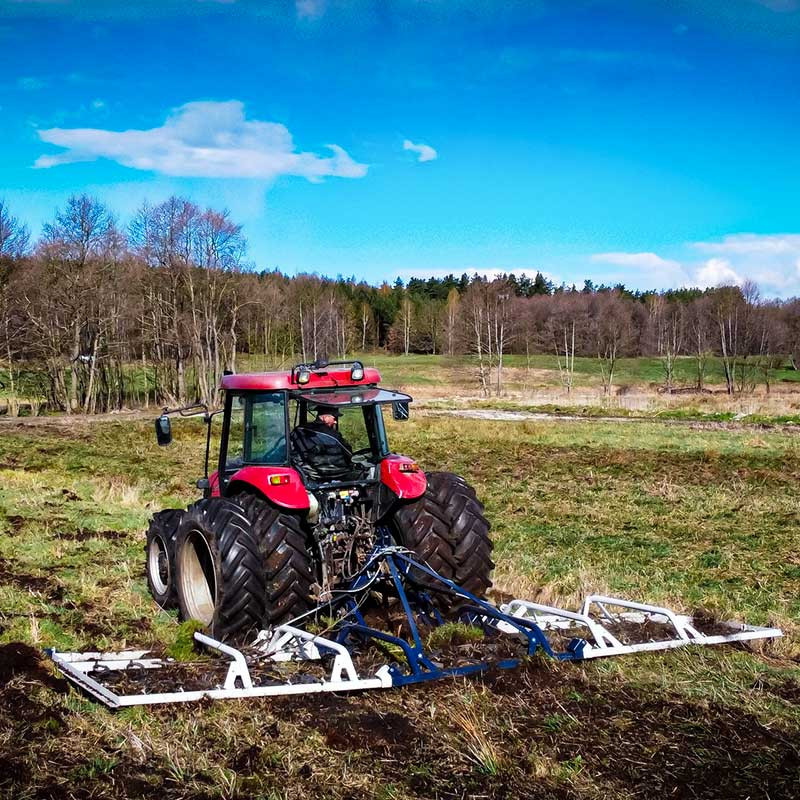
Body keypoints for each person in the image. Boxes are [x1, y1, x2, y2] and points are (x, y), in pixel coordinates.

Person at [290, 404, 353, 479]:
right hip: (334, 474)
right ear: (325, 418)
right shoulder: (332, 435)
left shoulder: (298, 430)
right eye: (334, 418)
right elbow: (349, 454)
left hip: (305, 474)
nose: (335, 422)